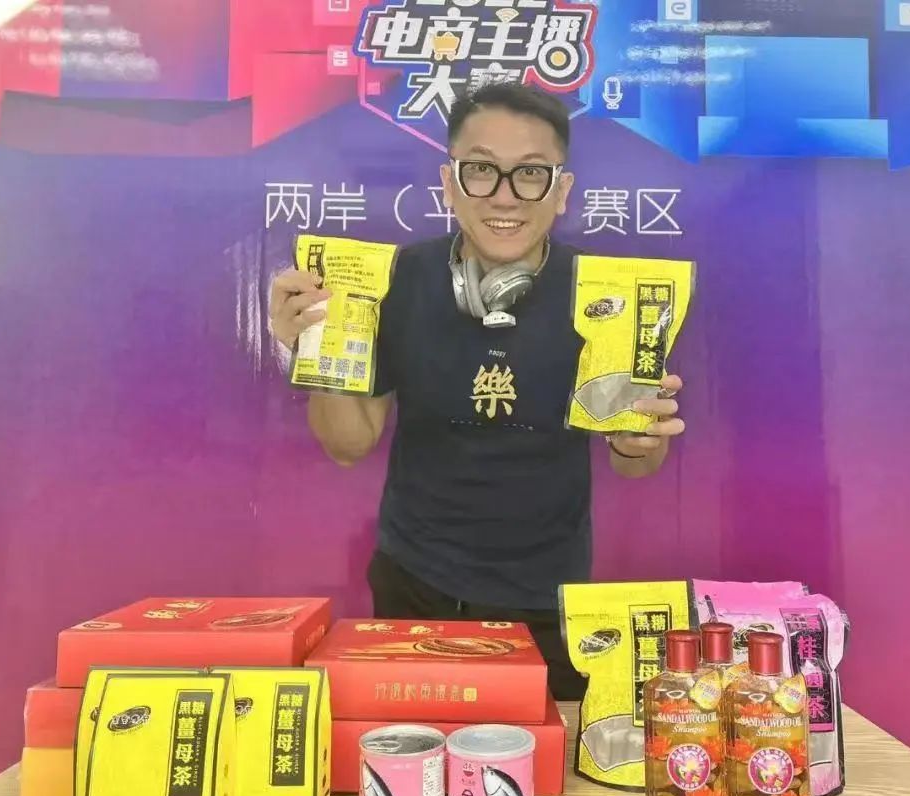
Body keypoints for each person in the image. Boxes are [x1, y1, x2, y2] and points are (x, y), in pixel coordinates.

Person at [270, 83, 685, 700]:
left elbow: (637, 463)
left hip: (548, 596)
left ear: (562, 191)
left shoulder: (606, 294)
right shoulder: (397, 281)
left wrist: (636, 440)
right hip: (414, 582)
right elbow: (348, 445)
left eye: (532, 174)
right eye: (482, 170)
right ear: (449, 182)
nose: (505, 196)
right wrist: (315, 350)